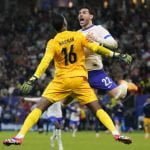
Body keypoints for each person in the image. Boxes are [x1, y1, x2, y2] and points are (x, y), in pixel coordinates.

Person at [3, 13, 132, 146]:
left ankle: (20, 136)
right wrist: (116, 55)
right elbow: (95, 48)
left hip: (61, 81)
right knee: (97, 109)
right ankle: (115, 133)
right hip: (79, 80)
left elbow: (45, 62)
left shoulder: (53, 42)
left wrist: (33, 78)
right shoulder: (78, 36)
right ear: (65, 23)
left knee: (39, 107)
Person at [78, 6, 136, 101]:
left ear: (91, 16)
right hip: (79, 73)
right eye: (79, 13)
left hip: (95, 72)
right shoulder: (77, 33)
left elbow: (114, 44)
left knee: (119, 95)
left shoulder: (98, 29)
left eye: (84, 12)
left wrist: (98, 39)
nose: (80, 14)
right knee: (63, 101)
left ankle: (124, 84)